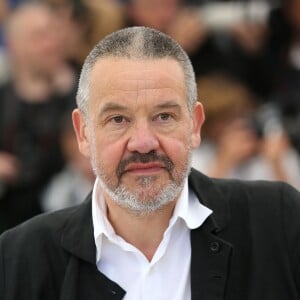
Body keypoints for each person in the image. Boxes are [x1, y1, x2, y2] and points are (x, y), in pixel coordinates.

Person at [0, 26, 300, 300]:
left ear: (195, 126)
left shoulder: (278, 222)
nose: (143, 142)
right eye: (118, 119)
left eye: (164, 117)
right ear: (83, 133)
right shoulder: (18, 260)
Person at [0, 2, 77, 232]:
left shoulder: (84, 91)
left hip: (69, 222)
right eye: (39, 36)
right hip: (12, 227)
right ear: (15, 46)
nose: (51, 43)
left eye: (53, 32)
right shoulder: (4, 100)